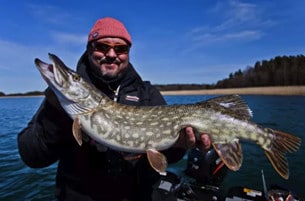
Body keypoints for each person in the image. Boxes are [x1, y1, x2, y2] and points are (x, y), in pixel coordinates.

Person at [17, 17, 195, 201]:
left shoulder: (147, 94)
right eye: (102, 46)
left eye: (120, 49)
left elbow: (168, 156)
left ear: (128, 53)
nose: (111, 54)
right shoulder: (59, 101)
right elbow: (32, 156)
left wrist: (179, 145)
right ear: (89, 49)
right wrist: (55, 114)